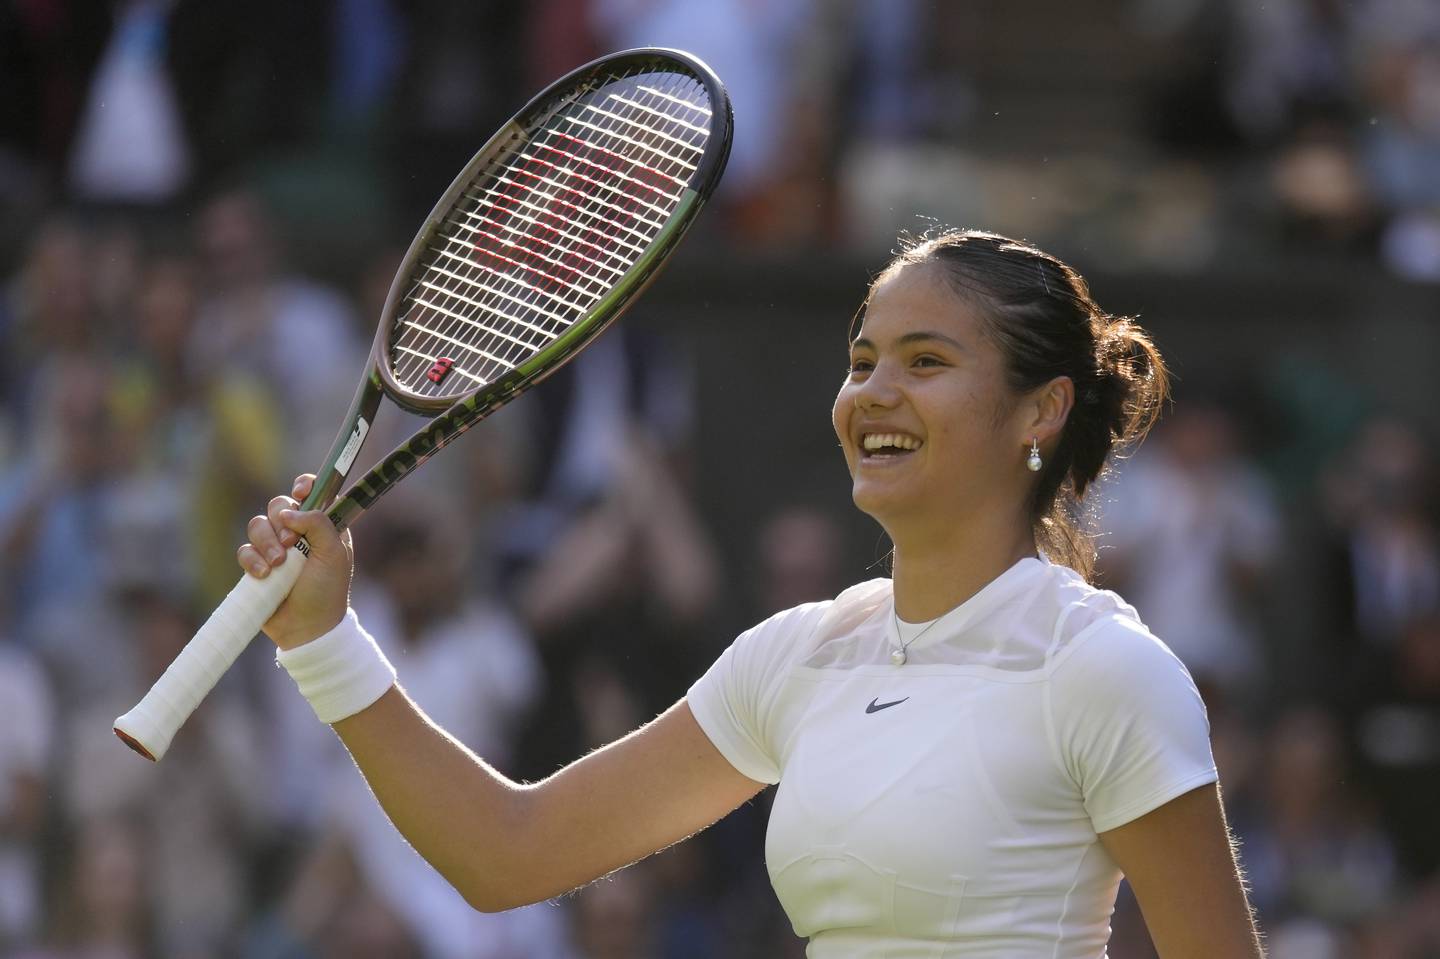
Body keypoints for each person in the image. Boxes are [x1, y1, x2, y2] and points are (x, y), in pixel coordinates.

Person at [238, 228, 1265, 956]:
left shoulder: (1104, 670)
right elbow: (508, 852)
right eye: (862, 360)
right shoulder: (799, 656)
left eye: (926, 359)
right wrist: (324, 639)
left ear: (1041, 408)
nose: (874, 392)